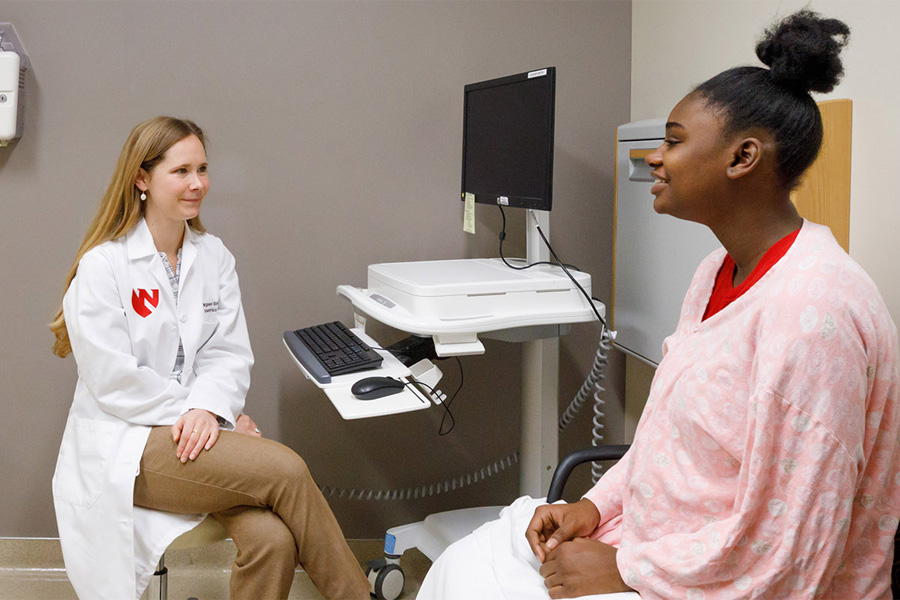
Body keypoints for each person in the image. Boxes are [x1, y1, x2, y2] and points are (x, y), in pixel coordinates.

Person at [419, 10, 900, 600]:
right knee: (468, 560)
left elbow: (795, 553)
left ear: (742, 157)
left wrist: (628, 571)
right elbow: (663, 445)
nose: (654, 156)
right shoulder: (712, 274)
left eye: (673, 141)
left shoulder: (818, 314)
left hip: (729, 579)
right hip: (658, 544)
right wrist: (592, 508)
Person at [49, 117, 371, 600]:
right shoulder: (104, 266)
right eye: (181, 171)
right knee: (285, 470)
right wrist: (203, 416)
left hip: (192, 430)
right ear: (142, 178)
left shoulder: (213, 256)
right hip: (128, 445)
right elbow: (113, 380)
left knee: (274, 540)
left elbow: (228, 355)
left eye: (202, 169)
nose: (197, 183)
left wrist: (210, 411)